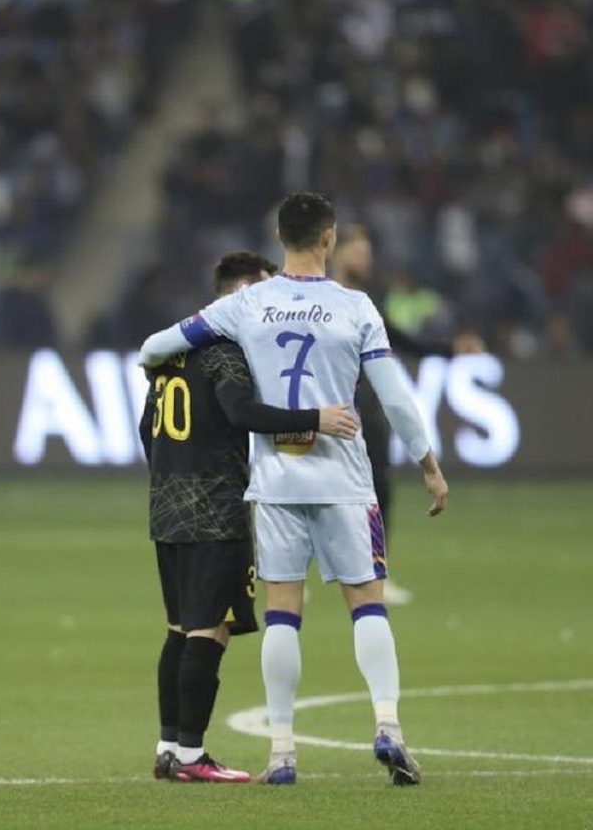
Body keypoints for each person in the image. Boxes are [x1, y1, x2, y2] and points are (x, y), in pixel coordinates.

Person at [139, 193, 449, 786]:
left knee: (283, 615)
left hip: (276, 483)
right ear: (329, 239)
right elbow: (395, 399)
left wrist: (157, 370)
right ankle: (389, 727)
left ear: (281, 237)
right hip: (344, 481)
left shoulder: (247, 304)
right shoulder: (355, 307)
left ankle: (281, 752)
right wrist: (428, 464)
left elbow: (157, 347)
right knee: (367, 603)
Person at [141, 251, 361, 784]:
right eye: (264, 292)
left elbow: (148, 426)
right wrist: (316, 419)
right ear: (243, 293)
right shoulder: (225, 350)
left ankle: (169, 746)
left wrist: (173, 475)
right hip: (215, 511)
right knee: (208, 631)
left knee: (177, 629)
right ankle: (192, 755)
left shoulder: (172, 351)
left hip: (167, 506)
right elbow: (241, 412)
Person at [332, 226, 483, 605]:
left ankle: (374, 570)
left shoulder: (366, 300)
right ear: (336, 251)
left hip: (365, 403)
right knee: (317, 489)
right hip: (326, 406)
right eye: (359, 251)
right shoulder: (323, 296)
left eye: (368, 252)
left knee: (378, 487)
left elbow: (399, 339)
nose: (365, 259)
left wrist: (450, 349)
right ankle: (301, 574)